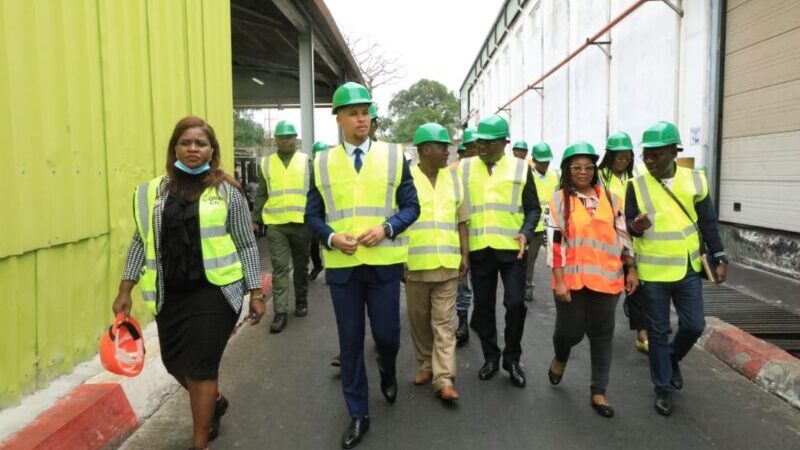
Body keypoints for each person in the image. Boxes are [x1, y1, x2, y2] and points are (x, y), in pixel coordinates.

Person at [112, 116, 265, 449]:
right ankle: (216, 401)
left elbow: (245, 243)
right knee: (174, 363)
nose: (193, 148)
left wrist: (256, 291)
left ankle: (200, 441)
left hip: (216, 293)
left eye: (201, 143)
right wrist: (126, 287)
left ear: (212, 150)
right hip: (170, 293)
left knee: (201, 366)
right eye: (186, 142)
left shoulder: (227, 191)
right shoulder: (150, 192)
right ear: (174, 148)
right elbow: (141, 241)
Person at [305, 82, 420, 449]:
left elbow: (411, 207)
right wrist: (329, 238)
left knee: (387, 336)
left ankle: (387, 365)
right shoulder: (321, 162)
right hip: (343, 266)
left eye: (366, 112)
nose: (361, 119)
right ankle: (358, 413)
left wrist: (386, 228)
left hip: (384, 264)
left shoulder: (393, 156)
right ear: (338, 118)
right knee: (350, 342)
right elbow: (313, 214)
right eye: (353, 113)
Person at [626, 121, 728, 416]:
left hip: (687, 267)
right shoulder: (636, 185)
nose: (649, 160)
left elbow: (708, 222)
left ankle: (669, 360)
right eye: (646, 154)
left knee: (695, 325)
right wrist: (637, 226)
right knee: (657, 332)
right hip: (654, 272)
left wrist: (720, 257)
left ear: (673, 152)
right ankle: (663, 388)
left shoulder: (695, 181)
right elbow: (629, 226)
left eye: (656, 154)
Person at [545, 142, 638, 419]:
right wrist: (559, 280)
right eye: (576, 168)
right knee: (570, 332)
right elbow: (555, 243)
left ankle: (599, 390)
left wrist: (631, 268)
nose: (583, 172)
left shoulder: (612, 199)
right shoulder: (560, 199)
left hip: (607, 280)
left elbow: (623, 236)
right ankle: (561, 355)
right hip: (571, 280)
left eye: (588, 167)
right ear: (567, 170)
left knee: (602, 335)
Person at [461, 115, 540, 388]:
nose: (482, 147)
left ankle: (512, 359)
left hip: (511, 250)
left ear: (504, 143)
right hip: (479, 249)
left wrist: (526, 232)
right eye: (480, 142)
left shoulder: (520, 168)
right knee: (482, 308)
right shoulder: (465, 168)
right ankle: (491, 357)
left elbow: (533, 208)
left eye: (489, 143)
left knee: (516, 304)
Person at [405, 123, 469, 402]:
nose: (447, 152)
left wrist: (465, 255)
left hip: (447, 263)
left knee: (444, 323)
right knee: (419, 319)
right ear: (425, 149)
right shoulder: (404, 180)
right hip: (415, 263)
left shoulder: (454, 179)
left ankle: (444, 378)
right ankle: (426, 364)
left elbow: (462, 220)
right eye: (443, 147)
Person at [251, 120, 311, 332]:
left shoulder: (306, 162)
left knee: (301, 265)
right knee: (280, 268)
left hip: (301, 223)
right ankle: (280, 313)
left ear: (296, 139)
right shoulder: (266, 164)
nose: (286, 141)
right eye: (282, 137)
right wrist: (255, 219)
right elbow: (261, 193)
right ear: (275, 140)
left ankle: (301, 299)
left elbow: (314, 193)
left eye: (290, 137)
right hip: (276, 225)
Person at [598, 131, 648, 353]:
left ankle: (641, 333)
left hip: (631, 238)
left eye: (627, 155)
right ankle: (600, 329)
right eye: (619, 155)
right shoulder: (599, 176)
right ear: (609, 155)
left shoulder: (635, 178)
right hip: (606, 241)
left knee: (636, 286)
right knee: (608, 290)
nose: (623, 159)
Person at [449, 126, 477, 345]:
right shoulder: (453, 171)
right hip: (462, 235)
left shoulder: (490, 170)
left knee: (481, 286)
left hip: (486, 237)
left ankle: (476, 320)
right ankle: (463, 322)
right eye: (471, 148)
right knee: (463, 284)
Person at [526, 142, 559, 302]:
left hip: (551, 226)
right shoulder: (528, 177)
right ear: (534, 160)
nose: (545, 165)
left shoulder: (555, 176)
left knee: (557, 258)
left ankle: (561, 284)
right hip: (535, 228)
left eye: (547, 161)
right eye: (542, 162)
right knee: (529, 261)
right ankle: (527, 288)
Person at [308, 140, 329, 282]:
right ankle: (317, 265)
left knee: (330, 242)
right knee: (313, 242)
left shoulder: (333, 167)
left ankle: (331, 272)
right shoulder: (310, 169)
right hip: (315, 211)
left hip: (330, 211)